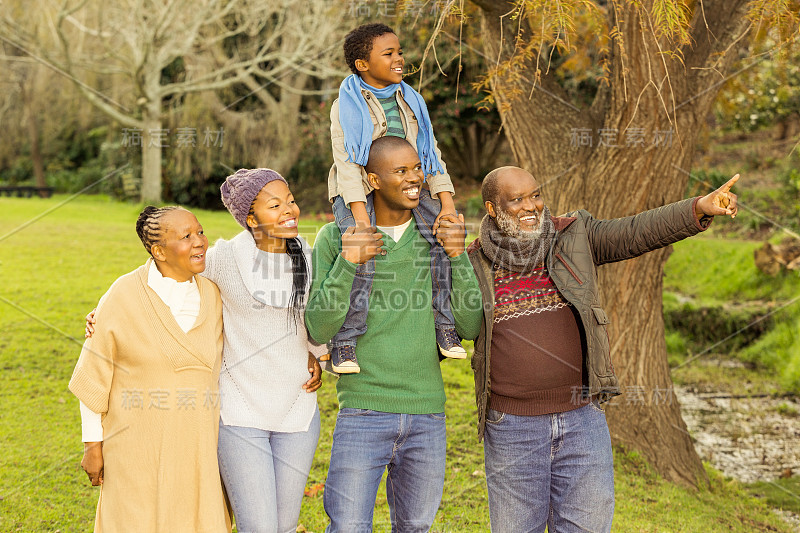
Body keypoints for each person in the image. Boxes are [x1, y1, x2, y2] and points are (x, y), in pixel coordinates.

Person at [465, 166, 740, 533]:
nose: (531, 206)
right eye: (516, 200)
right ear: (492, 208)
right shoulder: (472, 262)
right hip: (512, 426)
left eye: (535, 195)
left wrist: (699, 208)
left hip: (583, 419)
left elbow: (636, 231)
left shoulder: (573, 235)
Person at [84, 170, 324, 533]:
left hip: (296, 408)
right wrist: (102, 311)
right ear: (250, 218)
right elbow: (165, 269)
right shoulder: (223, 260)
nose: (289, 209)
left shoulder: (306, 256)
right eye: (274, 204)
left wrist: (315, 352)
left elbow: (318, 315)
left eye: (289, 200)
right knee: (258, 526)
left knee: (284, 526)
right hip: (238, 411)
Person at [306, 136, 482, 531]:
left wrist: (458, 256)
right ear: (371, 180)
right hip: (363, 410)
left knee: (416, 528)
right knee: (349, 526)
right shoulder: (336, 238)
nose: (414, 178)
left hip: (427, 413)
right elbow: (319, 326)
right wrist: (349, 262)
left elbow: (470, 327)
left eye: (417, 168)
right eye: (400, 171)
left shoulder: (437, 236)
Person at [70, 206, 229, 532]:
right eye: (186, 236)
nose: (200, 241)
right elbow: (93, 377)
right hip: (134, 451)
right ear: (158, 251)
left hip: (198, 451)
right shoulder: (122, 295)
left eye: (200, 231)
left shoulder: (213, 295)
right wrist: (92, 446)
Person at [326, 22, 465, 373]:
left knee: (441, 240)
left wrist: (446, 204)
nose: (399, 58)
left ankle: (444, 326)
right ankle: (345, 341)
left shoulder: (411, 100)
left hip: (408, 183)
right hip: (360, 187)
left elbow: (428, 153)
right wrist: (360, 219)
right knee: (362, 250)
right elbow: (346, 167)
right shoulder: (345, 105)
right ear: (362, 64)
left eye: (399, 51)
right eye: (388, 54)